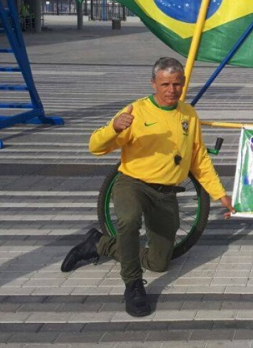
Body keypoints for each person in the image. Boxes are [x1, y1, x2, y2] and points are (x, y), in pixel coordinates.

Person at [61, 57, 235, 317]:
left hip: (166, 195)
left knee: (159, 263)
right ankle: (132, 285)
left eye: (177, 84)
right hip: (133, 183)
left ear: (184, 84)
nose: (171, 90)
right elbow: (95, 146)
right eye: (164, 83)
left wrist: (220, 194)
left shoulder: (189, 114)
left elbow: (198, 158)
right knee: (129, 221)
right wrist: (113, 128)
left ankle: (99, 244)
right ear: (153, 83)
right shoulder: (136, 111)